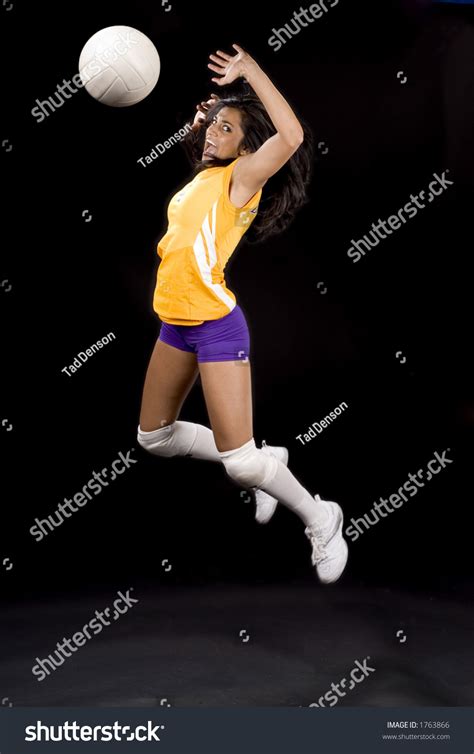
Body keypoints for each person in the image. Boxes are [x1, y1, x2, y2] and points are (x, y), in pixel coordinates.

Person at [137, 44, 348, 583]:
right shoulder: (203, 180)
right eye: (213, 125)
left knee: (240, 466)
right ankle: (264, 457)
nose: (212, 132)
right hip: (177, 325)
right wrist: (204, 122)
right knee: (153, 438)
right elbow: (203, 144)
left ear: (247, 148)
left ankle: (320, 517)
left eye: (227, 129)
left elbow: (292, 136)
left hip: (215, 326)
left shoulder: (241, 181)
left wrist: (251, 72)